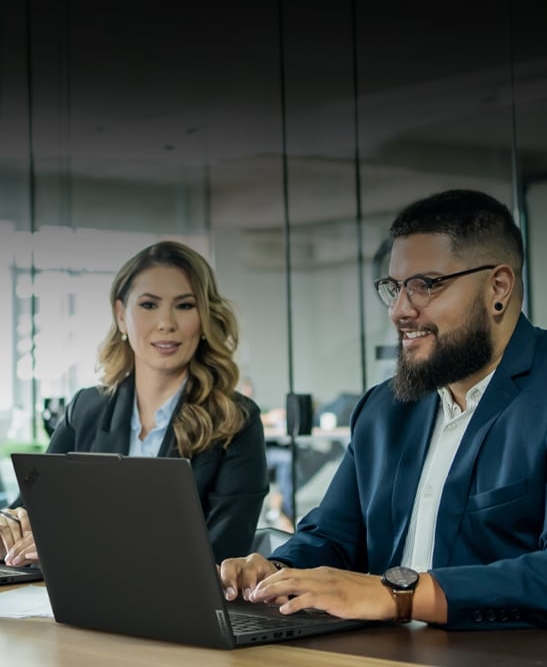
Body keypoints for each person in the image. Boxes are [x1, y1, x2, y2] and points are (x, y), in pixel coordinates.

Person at [219, 188, 547, 630]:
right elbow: (333, 537)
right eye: (394, 288)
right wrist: (277, 573)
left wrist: (401, 595)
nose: (398, 311)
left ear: (499, 287)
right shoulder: (384, 409)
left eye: (425, 285)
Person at [0, 240, 268, 565]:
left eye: (184, 305)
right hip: (69, 606)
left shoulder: (235, 421)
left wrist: (80, 546)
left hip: (178, 612)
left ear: (205, 318)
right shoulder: (85, 409)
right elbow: (32, 512)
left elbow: (223, 554)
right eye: (149, 305)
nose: (166, 322)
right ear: (121, 315)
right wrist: (10, 528)